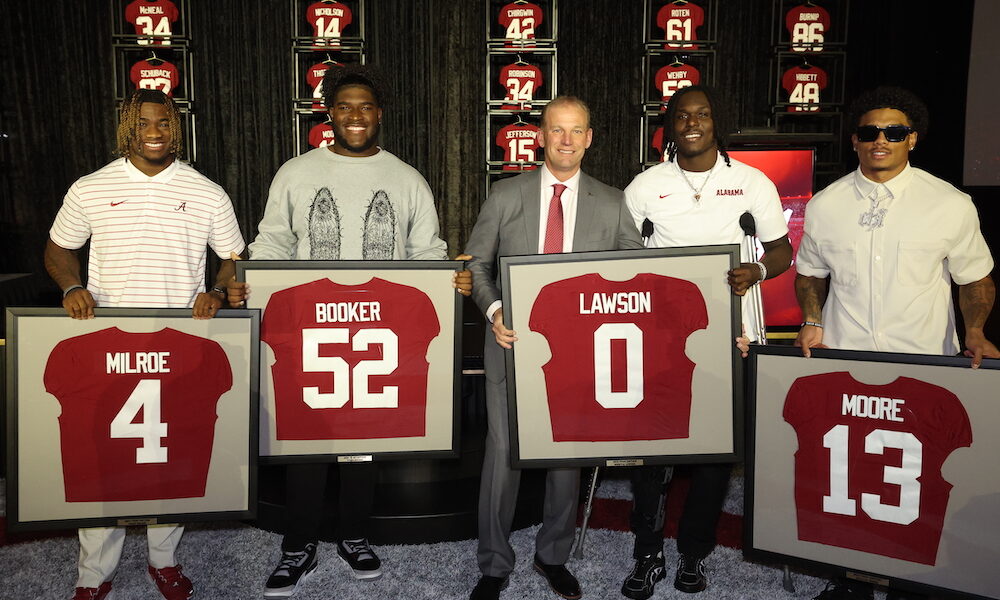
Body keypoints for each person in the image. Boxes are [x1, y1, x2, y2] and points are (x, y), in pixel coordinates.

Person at [225, 64, 471, 599]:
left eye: (365, 106)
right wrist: (247, 283)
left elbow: (425, 252)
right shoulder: (295, 172)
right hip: (308, 330)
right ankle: (299, 544)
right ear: (329, 114)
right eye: (344, 106)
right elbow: (272, 244)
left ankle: (355, 535)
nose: (355, 116)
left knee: (364, 442)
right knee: (305, 442)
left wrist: (449, 277)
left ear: (378, 114)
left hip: (379, 333)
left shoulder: (407, 178)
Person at [795, 87, 997, 600]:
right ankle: (851, 578)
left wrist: (974, 330)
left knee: (919, 475)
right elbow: (809, 273)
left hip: (924, 362)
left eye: (892, 132)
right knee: (849, 476)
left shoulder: (949, 204)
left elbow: (974, 278)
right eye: (869, 132)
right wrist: (813, 317)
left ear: (913, 139)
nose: (879, 140)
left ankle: (913, 580)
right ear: (855, 141)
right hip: (846, 359)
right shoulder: (825, 205)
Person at [44, 88, 246, 600]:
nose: (153, 131)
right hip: (104, 344)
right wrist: (72, 287)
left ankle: (164, 561)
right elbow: (58, 250)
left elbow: (233, 258)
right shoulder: (91, 187)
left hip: (178, 345)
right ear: (126, 129)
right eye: (142, 124)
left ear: (175, 127)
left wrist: (218, 291)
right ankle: (94, 574)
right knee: (102, 457)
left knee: (168, 454)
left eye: (162, 122)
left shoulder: (206, 191)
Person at [464, 95, 644, 600]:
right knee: (502, 457)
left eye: (576, 131)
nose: (565, 140)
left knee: (566, 458)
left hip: (577, 355)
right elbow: (477, 264)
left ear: (589, 138)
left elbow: (633, 274)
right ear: (540, 135)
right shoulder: (506, 194)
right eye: (556, 130)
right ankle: (494, 564)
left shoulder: (612, 202)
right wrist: (496, 311)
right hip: (511, 344)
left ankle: (553, 555)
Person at [621, 84, 792, 599]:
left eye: (702, 114)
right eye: (681, 116)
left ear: (717, 122)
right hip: (660, 341)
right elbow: (621, 257)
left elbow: (782, 251)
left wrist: (756, 269)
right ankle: (647, 553)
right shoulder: (645, 187)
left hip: (731, 336)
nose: (692, 123)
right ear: (669, 126)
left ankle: (694, 553)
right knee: (651, 452)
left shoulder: (752, 183)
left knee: (717, 454)